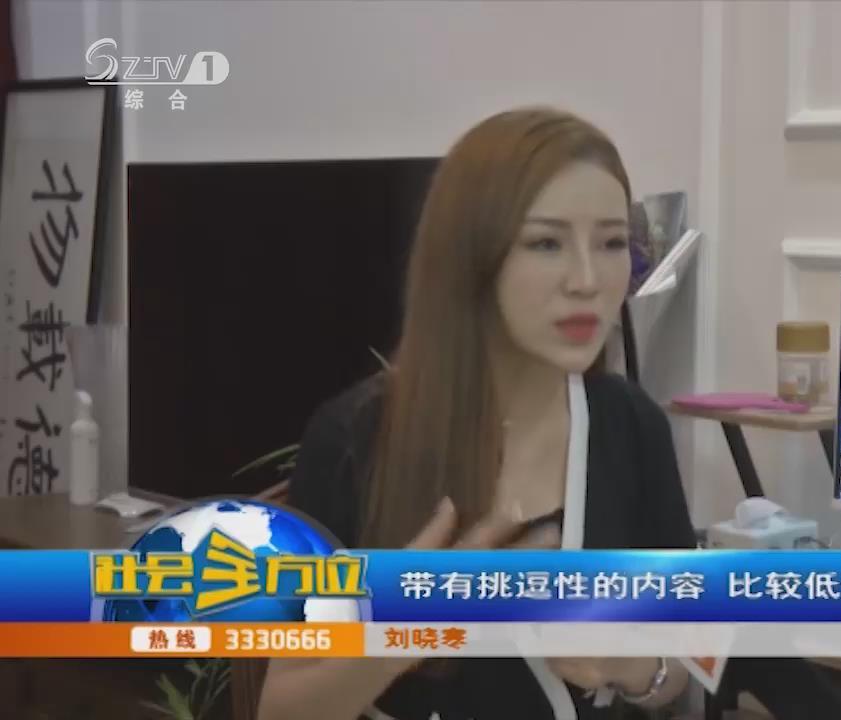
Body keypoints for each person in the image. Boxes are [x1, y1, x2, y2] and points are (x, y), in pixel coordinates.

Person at [257, 108, 695, 720]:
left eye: (612, 242)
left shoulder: (631, 426)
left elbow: (684, 665)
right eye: (546, 243)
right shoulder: (355, 439)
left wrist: (635, 666)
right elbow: (280, 709)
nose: (587, 280)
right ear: (471, 258)